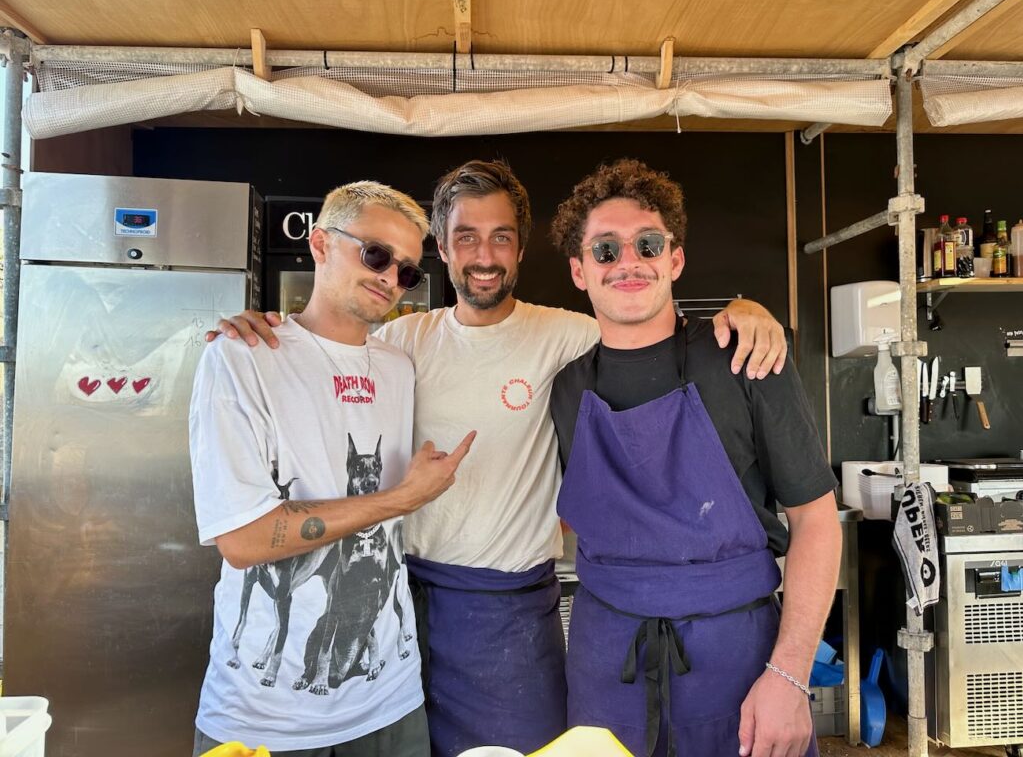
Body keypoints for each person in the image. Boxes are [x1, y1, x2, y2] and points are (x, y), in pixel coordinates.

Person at [213, 159, 789, 757]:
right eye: (466, 236)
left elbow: (646, 317)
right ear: (442, 247)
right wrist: (265, 332)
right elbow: (327, 344)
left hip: (509, 616)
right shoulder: (397, 344)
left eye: (501, 237)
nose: (484, 255)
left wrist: (745, 312)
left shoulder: (568, 336)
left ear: (520, 249)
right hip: (395, 608)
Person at [547, 158, 841, 757]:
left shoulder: (747, 357)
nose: (628, 261)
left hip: (737, 658)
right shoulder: (568, 388)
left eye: (647, 244)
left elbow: (817, 521)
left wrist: (789, 675)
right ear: (579, 271)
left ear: (674, 259)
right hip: (607, 666)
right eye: (605, 250)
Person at [189, 181, 474, 757]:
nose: (391, 278)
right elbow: (242, 539)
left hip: (390, 701)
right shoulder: (240, 357)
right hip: (268, 718)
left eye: (409, 273)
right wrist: (401, 498)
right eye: (376, 254)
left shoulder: (398, 366)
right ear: (319, 244)